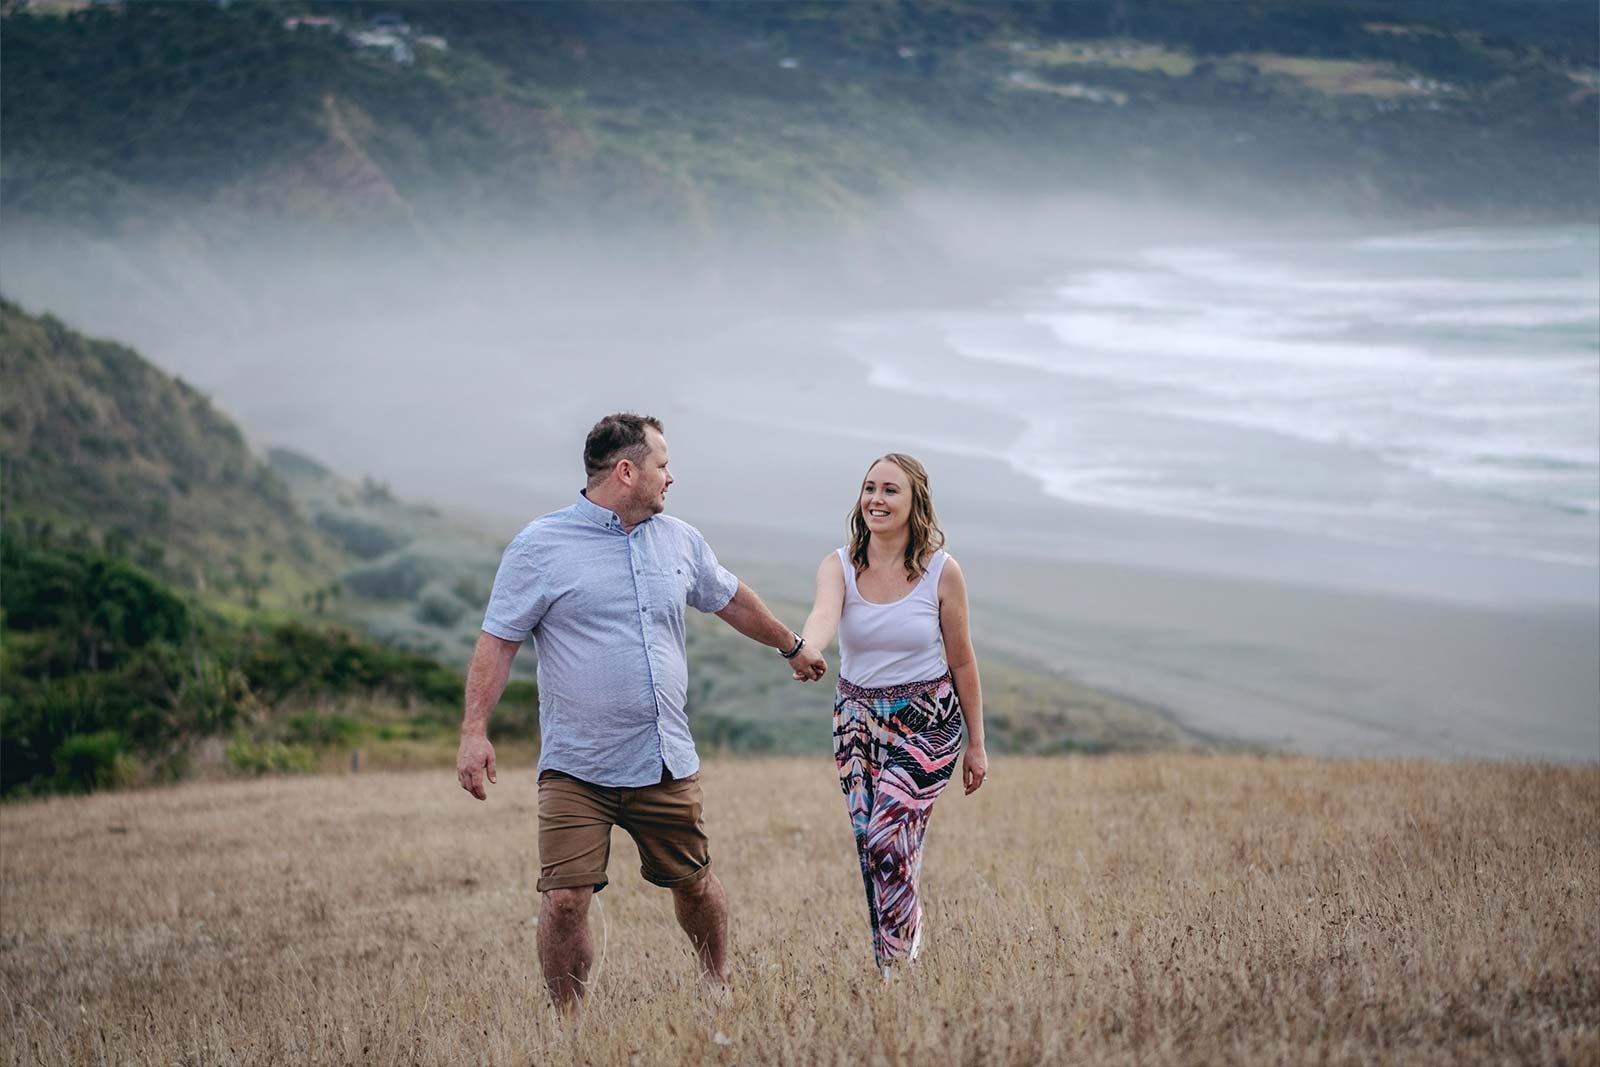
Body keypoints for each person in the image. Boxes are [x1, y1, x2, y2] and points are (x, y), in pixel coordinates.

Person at [455, 413, 826, 1011]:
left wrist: (791, 644)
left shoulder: (679, 539)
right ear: (627, 471)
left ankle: (716, 984)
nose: (671, 477)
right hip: (577, 766)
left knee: (696, 884)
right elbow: (497, 643)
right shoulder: (539, 547)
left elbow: (729, 600)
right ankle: (567, 1026)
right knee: (565, 900)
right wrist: (474, 732)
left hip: (664, 758)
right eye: (662, 465)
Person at [795, 452, 987, 978]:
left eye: (890, 491)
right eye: (870, 488)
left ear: (914, 502)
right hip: (858, 725)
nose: (876, 500)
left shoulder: (943, 573)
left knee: (887, 837)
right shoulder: (839, 565)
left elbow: (962, 658)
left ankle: (904, 952)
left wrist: (977, 742)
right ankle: (893, 970)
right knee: (874, 848)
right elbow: (823, 614)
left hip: (930, 721)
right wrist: (806, 647)